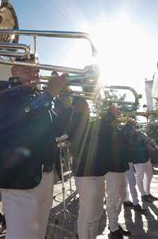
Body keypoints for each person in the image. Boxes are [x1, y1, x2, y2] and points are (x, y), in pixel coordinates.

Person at [0, 55, 71, 239]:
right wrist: (48, 95)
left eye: (37, 70)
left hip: (45, 177)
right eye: (27, 69)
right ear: (14, 70)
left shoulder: (38, 98)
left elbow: (57, 130)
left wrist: (66, 106)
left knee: (37, 235)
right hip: (19, 179)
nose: (34, 74)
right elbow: (12, 118)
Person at [67, 98, 109, 239]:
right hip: (85, 173)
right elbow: (73, 131)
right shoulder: (75, 120)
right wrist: (79, 112)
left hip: (99, 171)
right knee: (87, 212)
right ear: (76, 107)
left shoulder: (90, 123)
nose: (88, 107)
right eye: (84, 104)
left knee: (97, 212)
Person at [103, 106, 130, 239]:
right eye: (115, 110)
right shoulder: (106, 123)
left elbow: (123, 143)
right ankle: (113, 227)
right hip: (111, 166)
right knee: (112, 197)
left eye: (118, 110)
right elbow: (110, 139)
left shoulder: (117, 127)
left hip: (120, 166)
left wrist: (127, 129)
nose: (118, 112)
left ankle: (114, 222)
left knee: (122, 195)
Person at [121, 122, 148, 214]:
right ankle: (135, 204)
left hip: (125, 162)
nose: (134, 130)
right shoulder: (128, 138)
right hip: (127, 162)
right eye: (132, 128)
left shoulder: (124, 137)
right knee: (131, 183)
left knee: (126, 183)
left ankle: (126, 200)